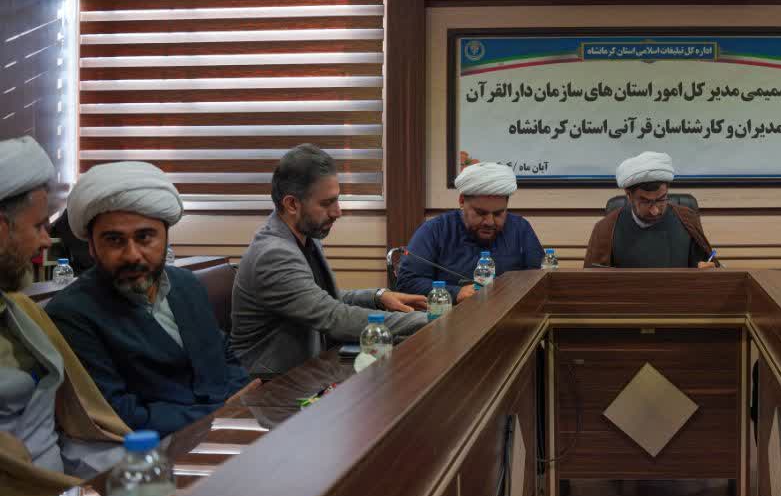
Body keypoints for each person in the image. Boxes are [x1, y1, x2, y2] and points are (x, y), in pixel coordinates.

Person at [47, 162, 249, 437]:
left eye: (145, 237)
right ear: (91, 246)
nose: (132, 255)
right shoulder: (71, 313)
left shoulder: (187, 284)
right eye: (114, 240)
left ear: (166, 238)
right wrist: (218, 413)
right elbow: (119, 413)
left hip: (226, 430)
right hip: (150, 449)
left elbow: (223, 355)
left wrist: (238, 403)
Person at [0, 138, 129, 496]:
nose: (46, 240)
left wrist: (133, 478)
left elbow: (71, 430)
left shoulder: (23, 312)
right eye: (39, 226)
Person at [231, 144, 430, 377]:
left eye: (337, 200)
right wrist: (427, 322)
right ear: (292, 204)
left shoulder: (305, 236)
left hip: (309, 366)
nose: (338, 212)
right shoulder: (273, 255)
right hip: (271, 382)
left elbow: (319, 299)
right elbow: (334, 317)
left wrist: (377, 297)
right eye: (326, 203)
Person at [396, 162, 543, 301]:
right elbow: (407, 282)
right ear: (461, 201)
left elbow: (540, 277)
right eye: (481, 213)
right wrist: (455, 293)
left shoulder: (520, 228)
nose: (490, 222)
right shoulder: (435, 230)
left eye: (498, 214)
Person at [584, 152, 717, 269]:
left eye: (661, 199)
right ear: (629, 195)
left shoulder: (687, 220)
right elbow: (591, 281)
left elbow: (706, 267)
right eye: (646, 202)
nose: (655, 210)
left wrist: (709, 270)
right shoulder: (605, 228)